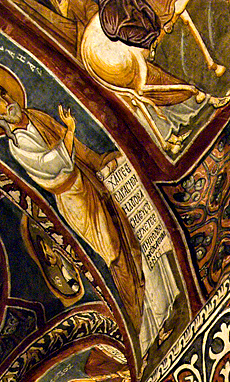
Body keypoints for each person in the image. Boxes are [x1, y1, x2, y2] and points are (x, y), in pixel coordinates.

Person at [0, 68, 145, 331]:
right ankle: (134, 310)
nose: (8, 105)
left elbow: (75, 147)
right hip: (71, 198)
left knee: (125, 235)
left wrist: (97, 159)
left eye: (5, 97)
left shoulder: (37, 117)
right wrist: (68, 131)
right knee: (111, 251)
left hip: (85, 179)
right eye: (2, 107)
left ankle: (143, 292)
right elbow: (53, 164)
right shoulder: (15, 146)